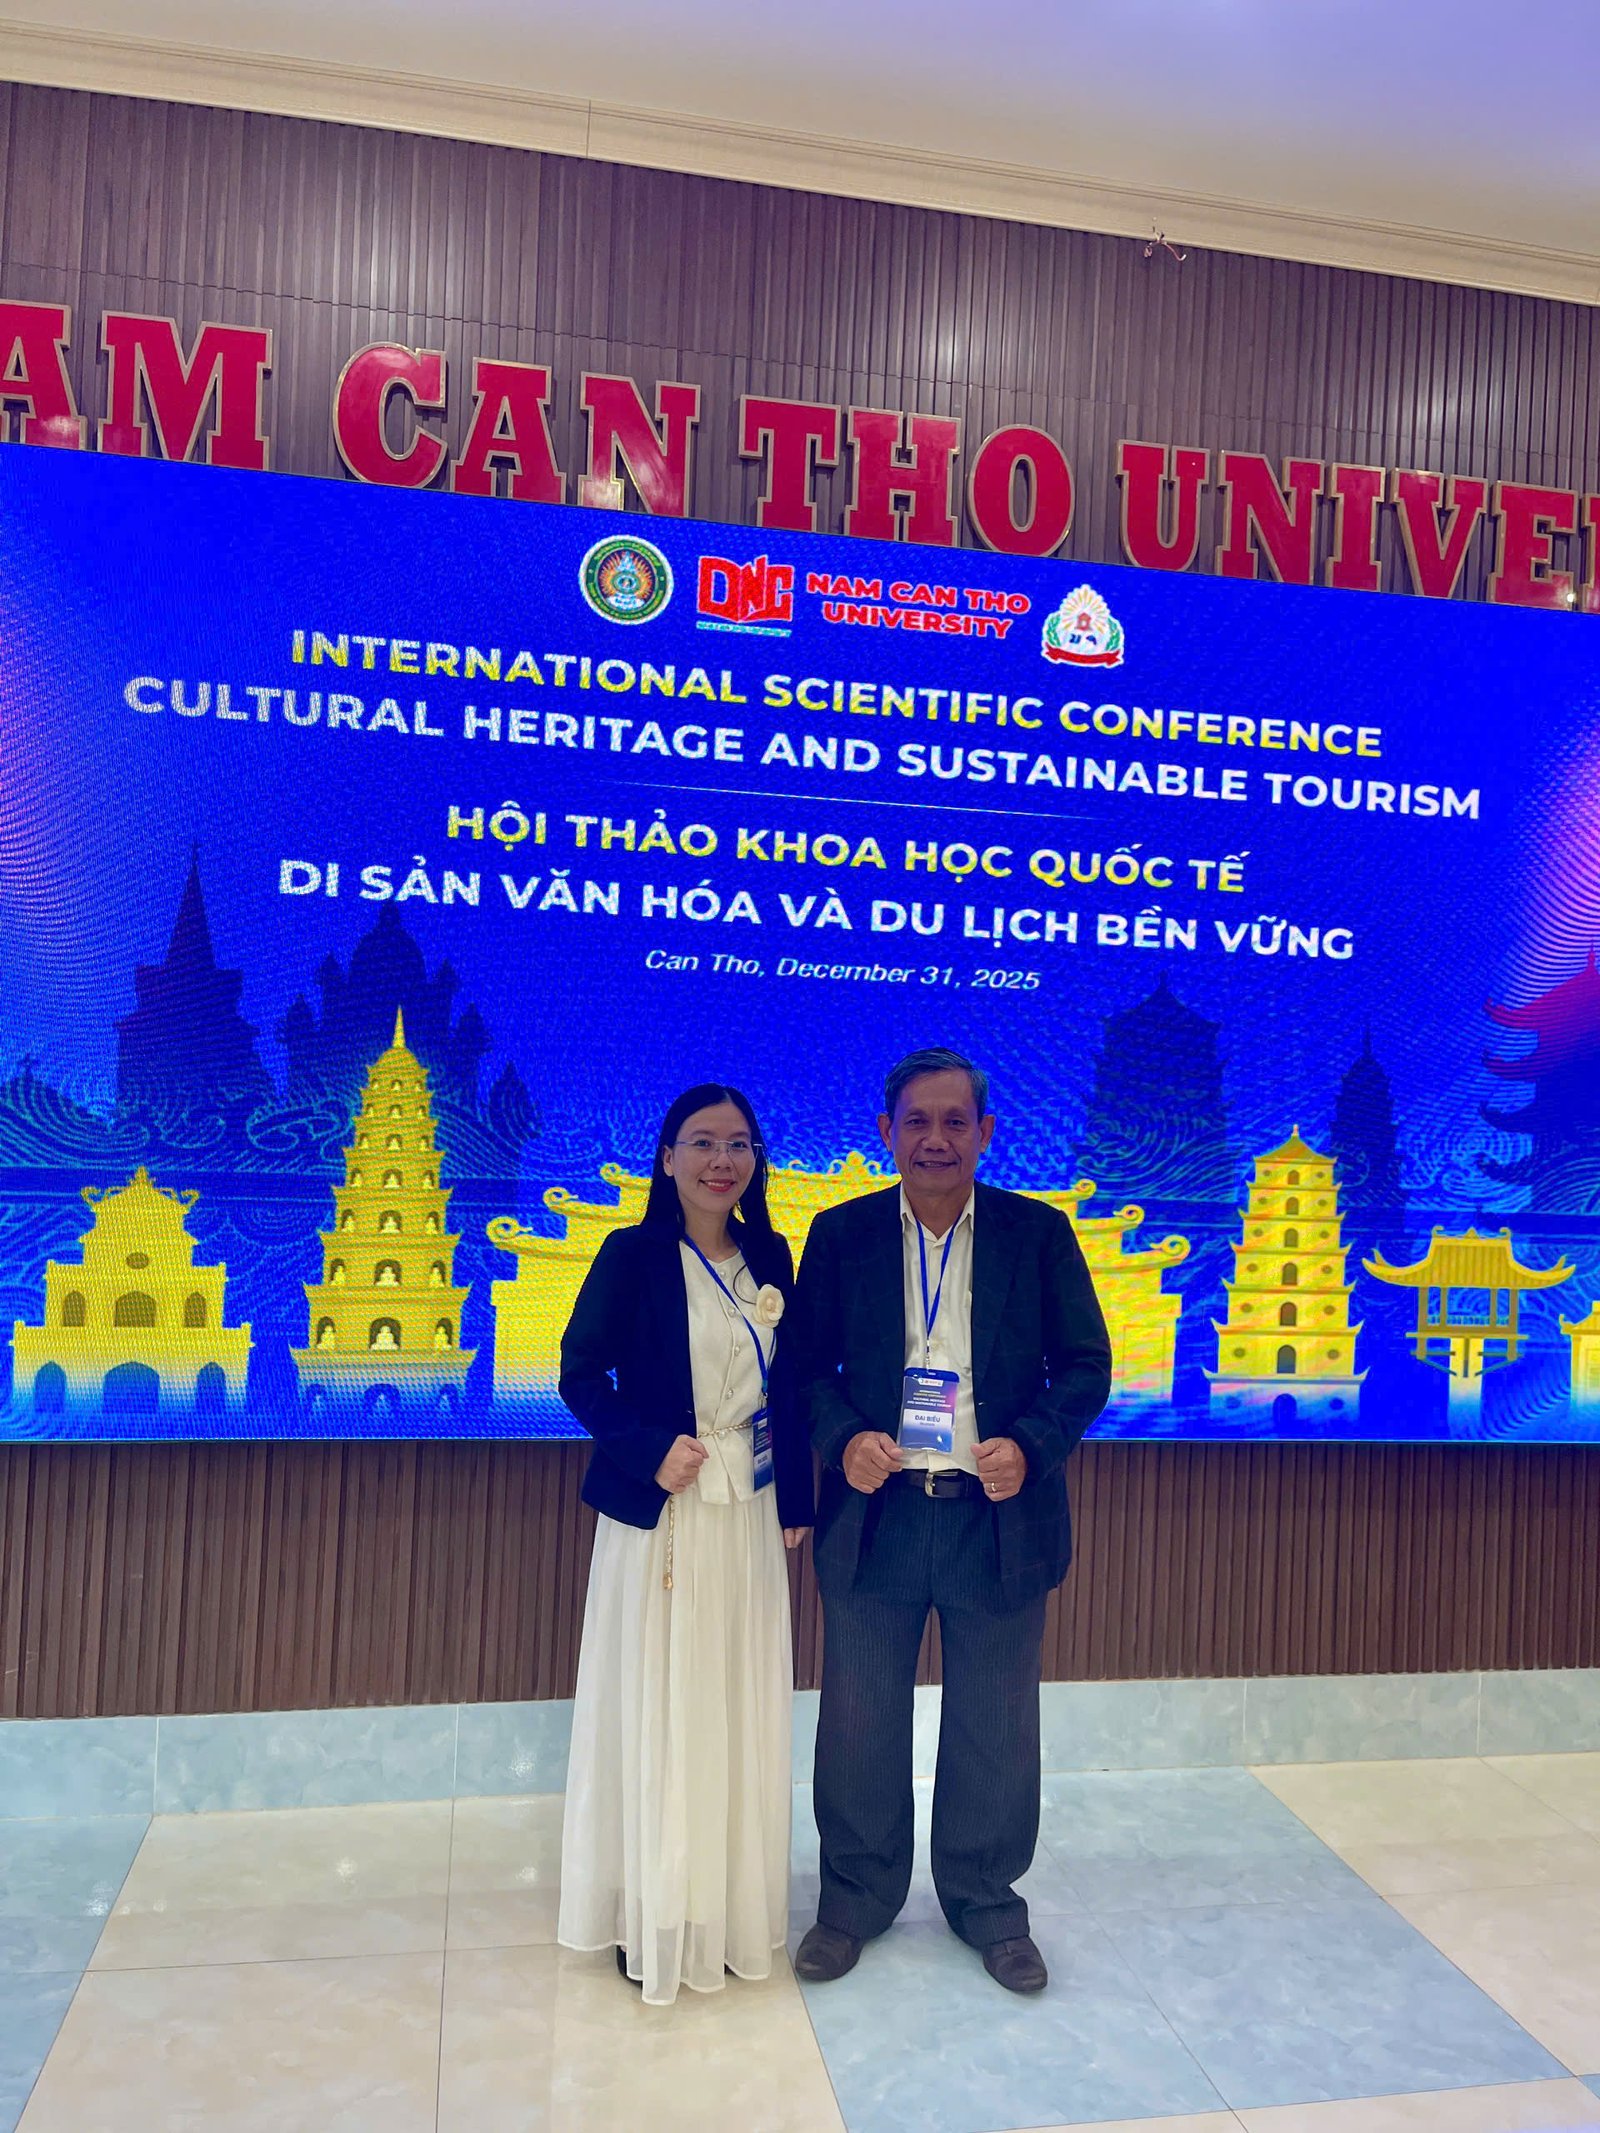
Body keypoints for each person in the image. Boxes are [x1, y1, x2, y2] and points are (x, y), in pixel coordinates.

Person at [790, 1047, 1111, 1994]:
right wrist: (843, 1436)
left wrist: (1032, 1445)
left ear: (986, 1132)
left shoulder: (1037, 1233)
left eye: (955, 1121)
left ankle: (987, 1901)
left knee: (995, 1723)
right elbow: (803, 1370)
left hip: (994, 1516)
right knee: (859, 1719)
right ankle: (854, 1899)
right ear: (885, 1132)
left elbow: (1086, 1365)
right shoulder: (841, 1234)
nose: (936, 1139)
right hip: (877, 1514)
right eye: (917, 1121)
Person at [556, 1084, 813, 2004]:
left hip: (748, 1511)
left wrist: (800, 1496)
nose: (721, 1160)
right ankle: (654, 1911)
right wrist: (646, 1447)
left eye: (739, 1143)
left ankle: (726, 1905)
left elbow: (796, 1387)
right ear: (667, 1158)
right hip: (666, 1507)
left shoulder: (772, 1256)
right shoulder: (631, 1255)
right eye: (702, 1142)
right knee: (664, 1701)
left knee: (733, 1699)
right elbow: (578, 1372)